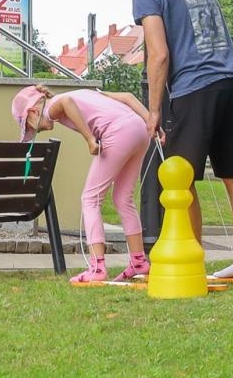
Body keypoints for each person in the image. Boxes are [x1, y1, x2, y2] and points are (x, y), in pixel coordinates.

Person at [104, 0, 233, 279]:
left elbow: (158, 54)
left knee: (179, 178)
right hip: (231, 80)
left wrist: (154, 110)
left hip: (195, 88)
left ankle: (192, 263)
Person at [11, 82, 156, 284]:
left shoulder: (55, 107)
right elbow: (128, 97)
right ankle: (139, 262)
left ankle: (97, 268)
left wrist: (89, 138)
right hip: (140, 129)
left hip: (118, 133)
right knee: (123, 198)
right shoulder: (75, 96)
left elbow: (67, 103)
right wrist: (151, 122)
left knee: (90, 199)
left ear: (33, 112)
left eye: (28, 127)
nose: (36, 132)